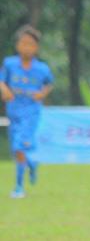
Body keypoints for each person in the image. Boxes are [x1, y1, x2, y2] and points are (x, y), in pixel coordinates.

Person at [1, 25, 53, 199]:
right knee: (16, 149)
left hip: (31, 111)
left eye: (31, 44)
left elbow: (49, 84)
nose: (27, 47)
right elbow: (2, 80)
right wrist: (4, 89)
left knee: (18, 145)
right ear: (18, 46)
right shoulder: (9, 64)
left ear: (36, 47)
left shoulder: (42, 68)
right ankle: (31, 164)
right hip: (14, 109)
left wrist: (42, 94)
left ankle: (18, 187)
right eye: (23, 43)